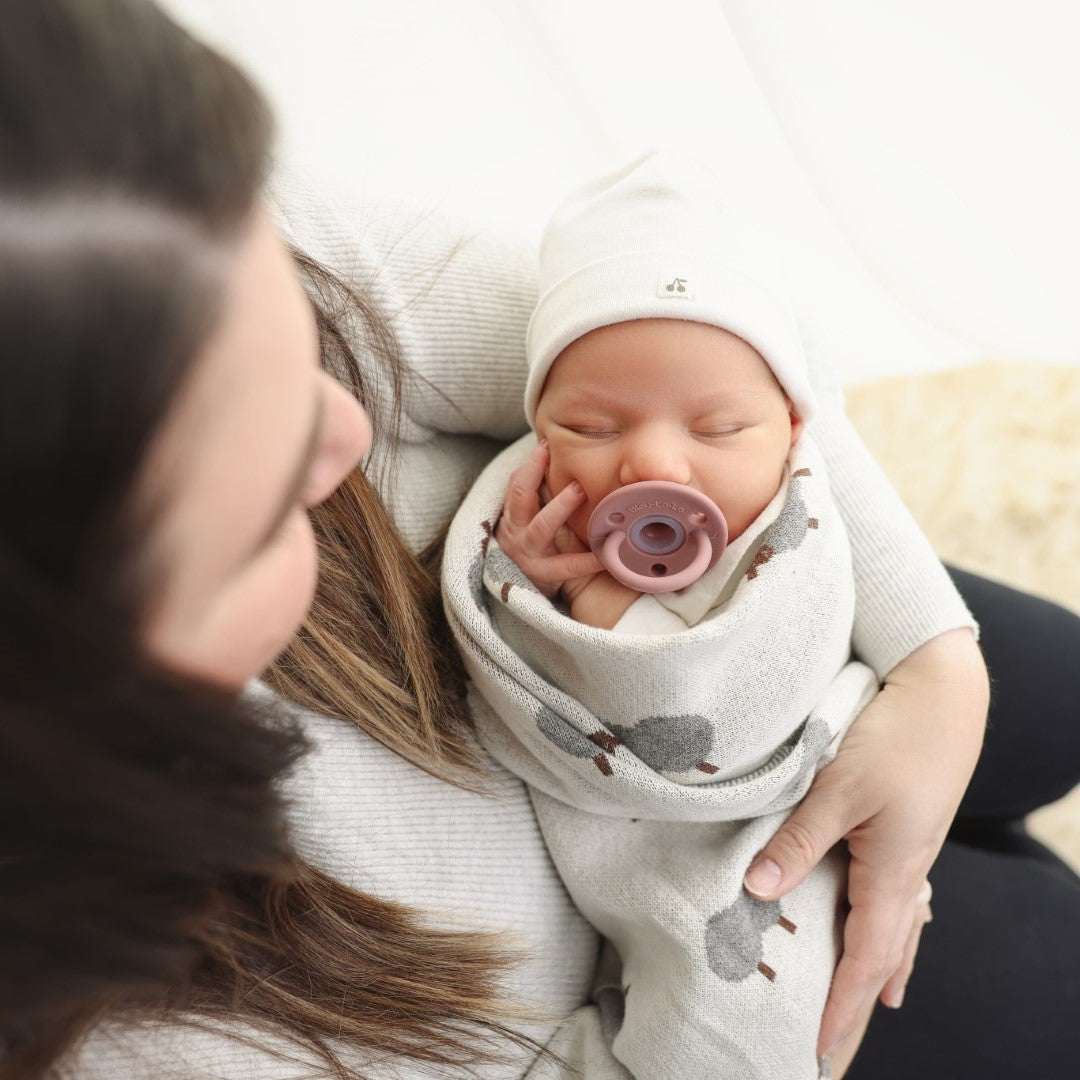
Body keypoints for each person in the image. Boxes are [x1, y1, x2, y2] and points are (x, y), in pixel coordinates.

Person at [1, 2, 1077, 1079]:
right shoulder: (127, 1039)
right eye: (261, 491)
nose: (353, 429)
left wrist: (938, 666)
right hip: (669, 955)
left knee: (1054, 694)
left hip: (764, 606)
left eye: (297, 341)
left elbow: (694, 326)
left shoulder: (83, 203)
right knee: (1041, 950)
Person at [441, 151, 972, 1078]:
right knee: (747, 1019)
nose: (654, 468)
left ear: (795, 430)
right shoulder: (535, 537)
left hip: (831, 738)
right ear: (536, 428)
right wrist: (567, 599)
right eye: (591, 428)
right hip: (695, 850)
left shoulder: (804, 483)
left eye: (720, 429)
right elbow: (662, 705)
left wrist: (942, 676)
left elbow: (826, 611)